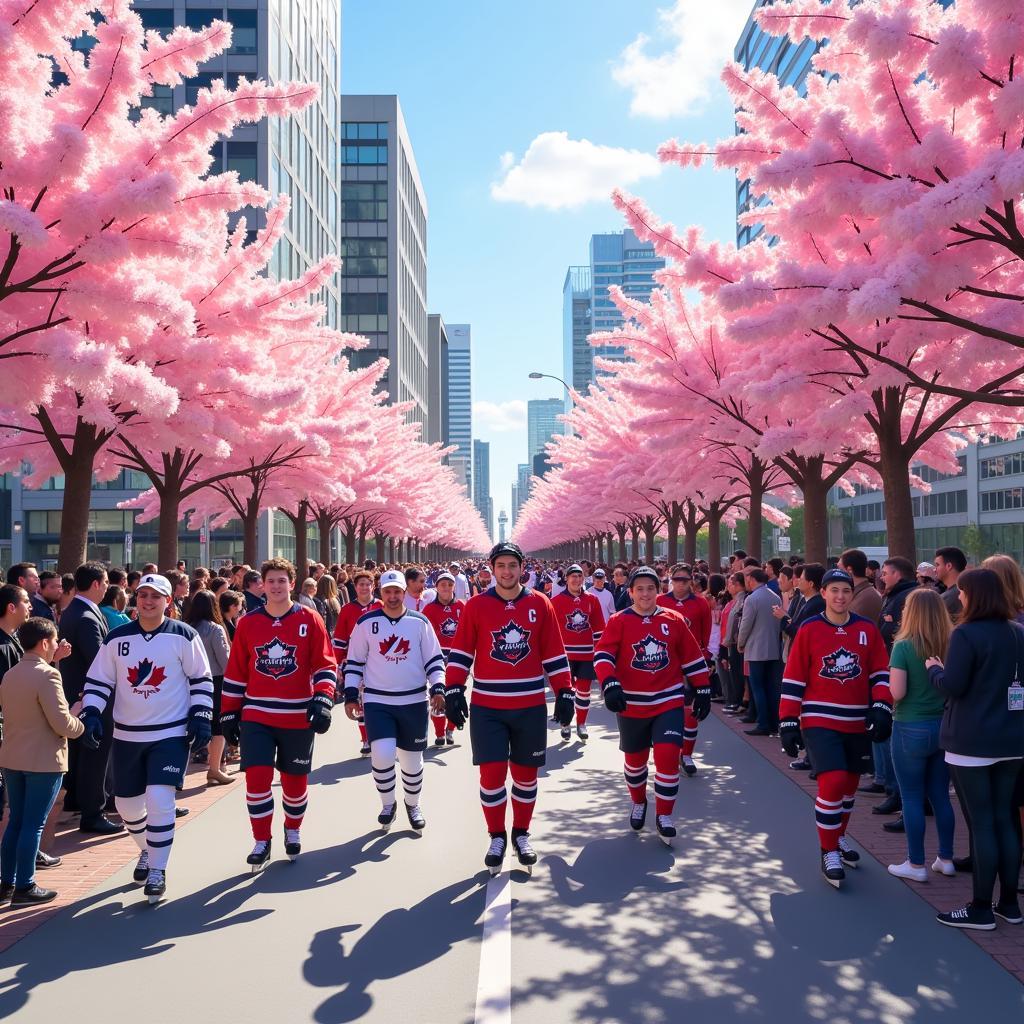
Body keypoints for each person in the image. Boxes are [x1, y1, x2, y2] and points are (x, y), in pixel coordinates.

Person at [81, 575, 213, 904]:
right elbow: (98, 680)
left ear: (168, 601)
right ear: (134, 598)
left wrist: (201, 715)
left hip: (170, 733)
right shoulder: (117, 638)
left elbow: (201, 678)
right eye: (142, 595)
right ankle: (147, 851)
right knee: (126, 806)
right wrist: (92, 712)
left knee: (159, 798)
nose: (148, 601)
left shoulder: (184, 634)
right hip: (127, 736)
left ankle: (158, 871)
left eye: (156, 596)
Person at [444, 542, 573, 874]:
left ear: (521, 568)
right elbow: (461, 652)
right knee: (491, 776)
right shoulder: (476, 606)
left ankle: (521, 833)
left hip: (529, 705)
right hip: (488, 706)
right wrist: (454, 687)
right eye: (500, 565)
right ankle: (497, 836)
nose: (506, 571)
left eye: (512, 565)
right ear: (491, 568)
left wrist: (565, 691)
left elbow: (553, 653)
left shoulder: (539, 604)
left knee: (526, 777)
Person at [779, 568, 892, 888]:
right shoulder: (810, 629)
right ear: (824, 593)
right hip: (818, 720)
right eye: (834, 590)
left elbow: (880, 673)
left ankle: (838, 837)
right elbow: (794, 677)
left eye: (845, 590)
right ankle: (828, 850)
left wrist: (882, 707)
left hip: (856, 721)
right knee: (833, 781)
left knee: (849, 787)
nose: (840, 596)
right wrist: (788, 721)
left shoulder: (866, 630)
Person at [222, 558, 337, 871]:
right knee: (257, 781)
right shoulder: (248, 623)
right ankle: (261, 840)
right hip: (257, 715)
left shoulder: (310, 619)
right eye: (270, 581)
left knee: (294, 783)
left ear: (291, 583)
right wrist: (229, 713)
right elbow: (236, 671)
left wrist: (323, 698)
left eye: (281, 581)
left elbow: (325, 664)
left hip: (297, 716)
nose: (275, 586)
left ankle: (292, 828)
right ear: (263, 585)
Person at [926, 568, 1024, 930]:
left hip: (972, 741)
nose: (960, 598)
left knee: (982, 823)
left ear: (973, 595)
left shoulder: (966, 634)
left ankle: (981, 907)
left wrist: (934, 669)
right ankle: (1009, 903)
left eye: (963, 593)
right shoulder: (1018, 632)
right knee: (1005, 820)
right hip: (1013, 739)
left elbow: (953, 685)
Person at [594, 566, 711, 845]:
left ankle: (665, 815)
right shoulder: (619, 620)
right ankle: (638, 802)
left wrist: (703, 687)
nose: (646, 594)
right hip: (631, 704)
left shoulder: (675, 620)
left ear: (658, 591)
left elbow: (691, 657)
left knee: (668, 757)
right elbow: (603, 655)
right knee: (635, 763)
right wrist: (609, 683)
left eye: (651, 588)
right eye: (640, 589)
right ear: (631, 592)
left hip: (667, 701)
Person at [342, 570, 445, 832]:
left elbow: (434, 659)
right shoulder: (366, 623)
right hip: (378, 700)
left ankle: (413, 804)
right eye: (387, 591)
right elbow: (354, 662)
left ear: (404, 592)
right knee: (383, 754)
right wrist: (351, 695)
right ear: (381, 592)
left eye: (397, 591)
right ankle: (388, 805)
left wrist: (439, 689)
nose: (392, 596)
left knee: (412, 761)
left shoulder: (420, 622)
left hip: (413, 700)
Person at [0, 618, 79, 907]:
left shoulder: (11, 674)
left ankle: (6, 884)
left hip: (12, 757)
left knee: (16, 824)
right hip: (43, 760)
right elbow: (61, 723)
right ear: (46, 643)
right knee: (32, 825)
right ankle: (26, 885)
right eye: (55, 641)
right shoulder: (47, 675)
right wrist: (80, 722)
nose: (57, 646)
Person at [886, 588, 956, 882]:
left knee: (911, 797)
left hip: (909, 725)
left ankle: (916, 864)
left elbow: (897, 692)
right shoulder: (952, 642)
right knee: (941, 795)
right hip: (944, 726)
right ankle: (946, 858)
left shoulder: (903, 647)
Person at [58, 562, 120, 835]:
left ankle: (80, 801)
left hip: (79, 693)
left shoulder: (75, 610)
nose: (107, 587)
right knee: (96, 753)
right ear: (96, 584)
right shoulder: (85, 616)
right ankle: (93, 812)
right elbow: (100, 661)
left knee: (83, 752)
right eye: (105, 582)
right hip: (91, 696)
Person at [657, 563, 712, 775]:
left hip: (691, 664)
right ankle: (667, 751)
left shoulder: (700, 604)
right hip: (665, 664)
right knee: (667, 707)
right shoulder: (661, 601)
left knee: (691, 711)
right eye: (676, 579)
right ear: (670, 580)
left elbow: (705, 634)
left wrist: (706, 659)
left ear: (691, 581)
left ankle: (687, 753)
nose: (680, 584)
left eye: (685, 580)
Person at [551, 564, 606, 743]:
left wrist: (601, 652)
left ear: (584, 578)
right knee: (565, 692)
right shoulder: (556, 601)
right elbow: (550, 631)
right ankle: (565, 724)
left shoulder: (592, 599)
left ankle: (581, 724)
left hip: (586, 655)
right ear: (566, 579)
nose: (576, 579)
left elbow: (599, 628)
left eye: (580, 576)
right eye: (573, 576)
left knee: (584, 692)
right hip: (564, 656)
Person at [185, 590, 233, 786]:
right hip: (215, 681)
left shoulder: (186, 628)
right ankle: (214, 768)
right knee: (217, 728)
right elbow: (225, 660)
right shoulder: (215, 629)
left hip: (188, 681)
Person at [332, 569, 382, 757]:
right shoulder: (347, 609)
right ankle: (366, 740)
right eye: (360, 584)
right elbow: (339, 639)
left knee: (377, 701)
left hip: (379, 662)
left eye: (367, 584)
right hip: (355, 662)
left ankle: (380, 735)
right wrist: (337, 664)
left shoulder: (381, 606)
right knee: (360, 702)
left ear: (373, 586)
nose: (364, 587)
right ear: (355, 587)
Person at [737, 568, 784, 737]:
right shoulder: (775, 596)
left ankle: (763, 723)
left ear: (753, 580)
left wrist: (740, 643)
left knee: (758, 687)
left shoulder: (752, 599)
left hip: (756, 648)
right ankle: (773, 722)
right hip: (773, 648)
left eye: (748, 579)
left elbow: (746, 624)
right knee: (771, 687)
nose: (747, 582)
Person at [422, 571, 466, 746]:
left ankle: (450, 729)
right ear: (436, 587)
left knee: (455, 694)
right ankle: (439, 733)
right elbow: (424, 636)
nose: (446, 588)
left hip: (457, 657)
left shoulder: (462, 607)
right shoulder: (429, 609)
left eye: (449, 585)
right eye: (442, 585)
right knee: (438, 695)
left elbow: (469, 633)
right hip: (436, 657)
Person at [840, 549, 883, 625]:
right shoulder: (863, 593)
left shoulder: (866, 597)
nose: (836, 573)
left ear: (849, 570)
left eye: (839, 569)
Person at [934, 546, 967, 622]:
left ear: (949, 566)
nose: (934, 569)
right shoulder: (970, 591)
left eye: (937, 565)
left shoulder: (946, 598)